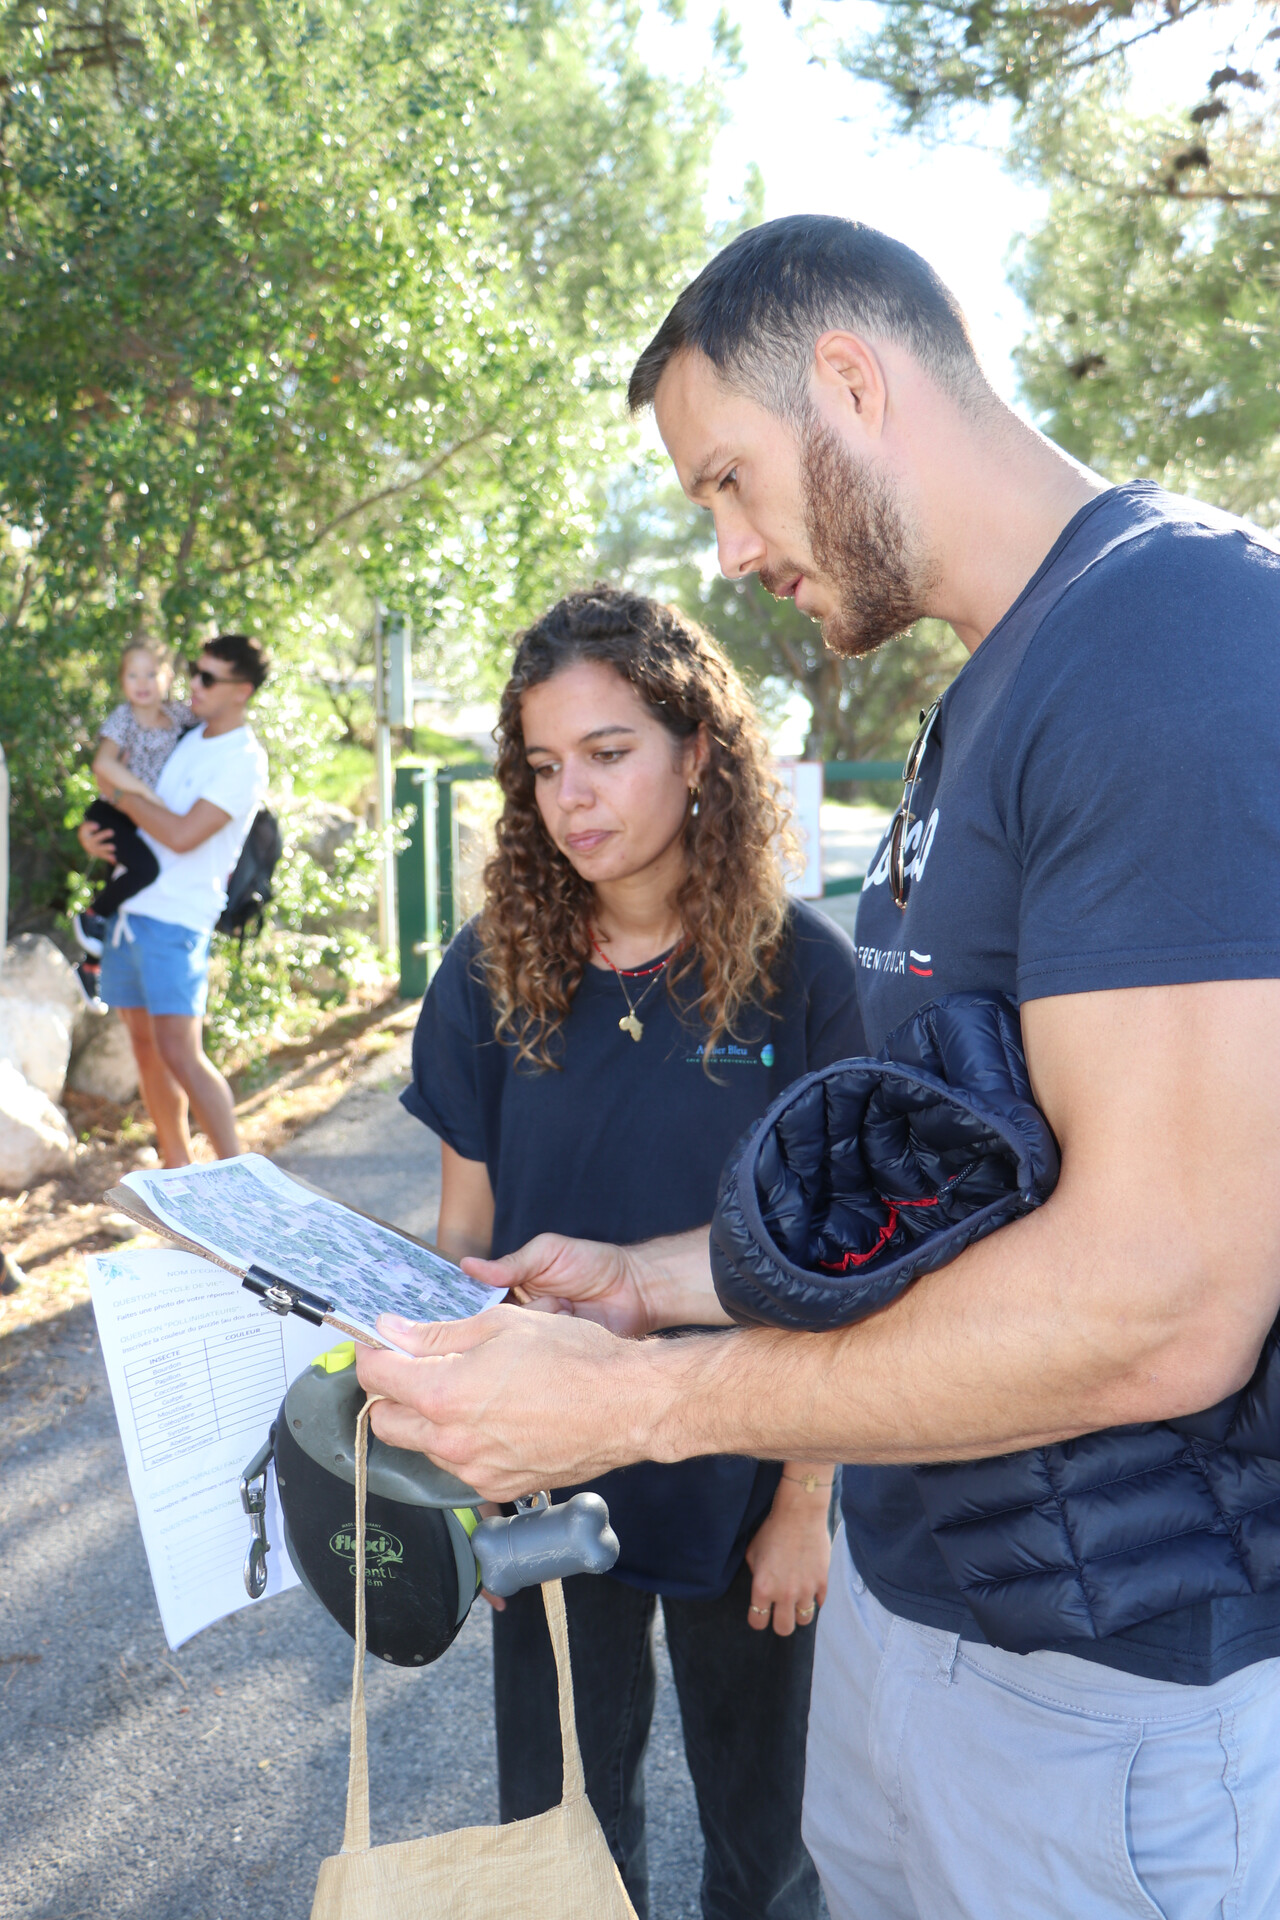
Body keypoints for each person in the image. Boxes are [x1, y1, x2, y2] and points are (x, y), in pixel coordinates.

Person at [357, 215, 1280, 1920]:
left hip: (1105, 1702)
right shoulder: (988, 696)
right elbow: (948, 1214)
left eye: (728, 479)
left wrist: (637, 1404)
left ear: (852, 385)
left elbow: (1166, 1296)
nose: (719, 548)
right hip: (919, 1629)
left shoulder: (1173, 643)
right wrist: (649, 1285)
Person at [401, 585, 860, 1919]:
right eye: (545, 766)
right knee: (559, 1847)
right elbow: (464, 1239)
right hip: (546, 1474)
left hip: (742, 1470)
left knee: (763, 1853)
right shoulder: (491, 971)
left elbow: (841, 1256)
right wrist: (456, 1464)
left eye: (608, 754)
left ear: (697, 750)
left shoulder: (804, 976)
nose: (572, 798)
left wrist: (803, 1504)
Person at [77, 633, 269, 1168]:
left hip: (176, 919)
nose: (194, 685)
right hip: (128, 914)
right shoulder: (185, 735)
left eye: (208, 678)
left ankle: (238, 1181)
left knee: (182, 1055)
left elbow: (182, 835)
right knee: (146, 1051)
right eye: (194, 672)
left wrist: (119, 794)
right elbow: (128, 807)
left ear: (243, 691)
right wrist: (94, 834)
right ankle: (178, 1173)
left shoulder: (244, 759)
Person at [73, 642, 193, 988]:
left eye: (152, 673)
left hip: (139, 818)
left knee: (119, 882)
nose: (142, 682)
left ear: (168, 676)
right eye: (132, 674)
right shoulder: (123, 718)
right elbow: (103, 764)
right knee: (143, 869)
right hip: (113, 812)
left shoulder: (177, 716)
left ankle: (90, 968)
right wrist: (146, 794)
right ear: (122, 681)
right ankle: (91, 915)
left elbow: (212, 719)